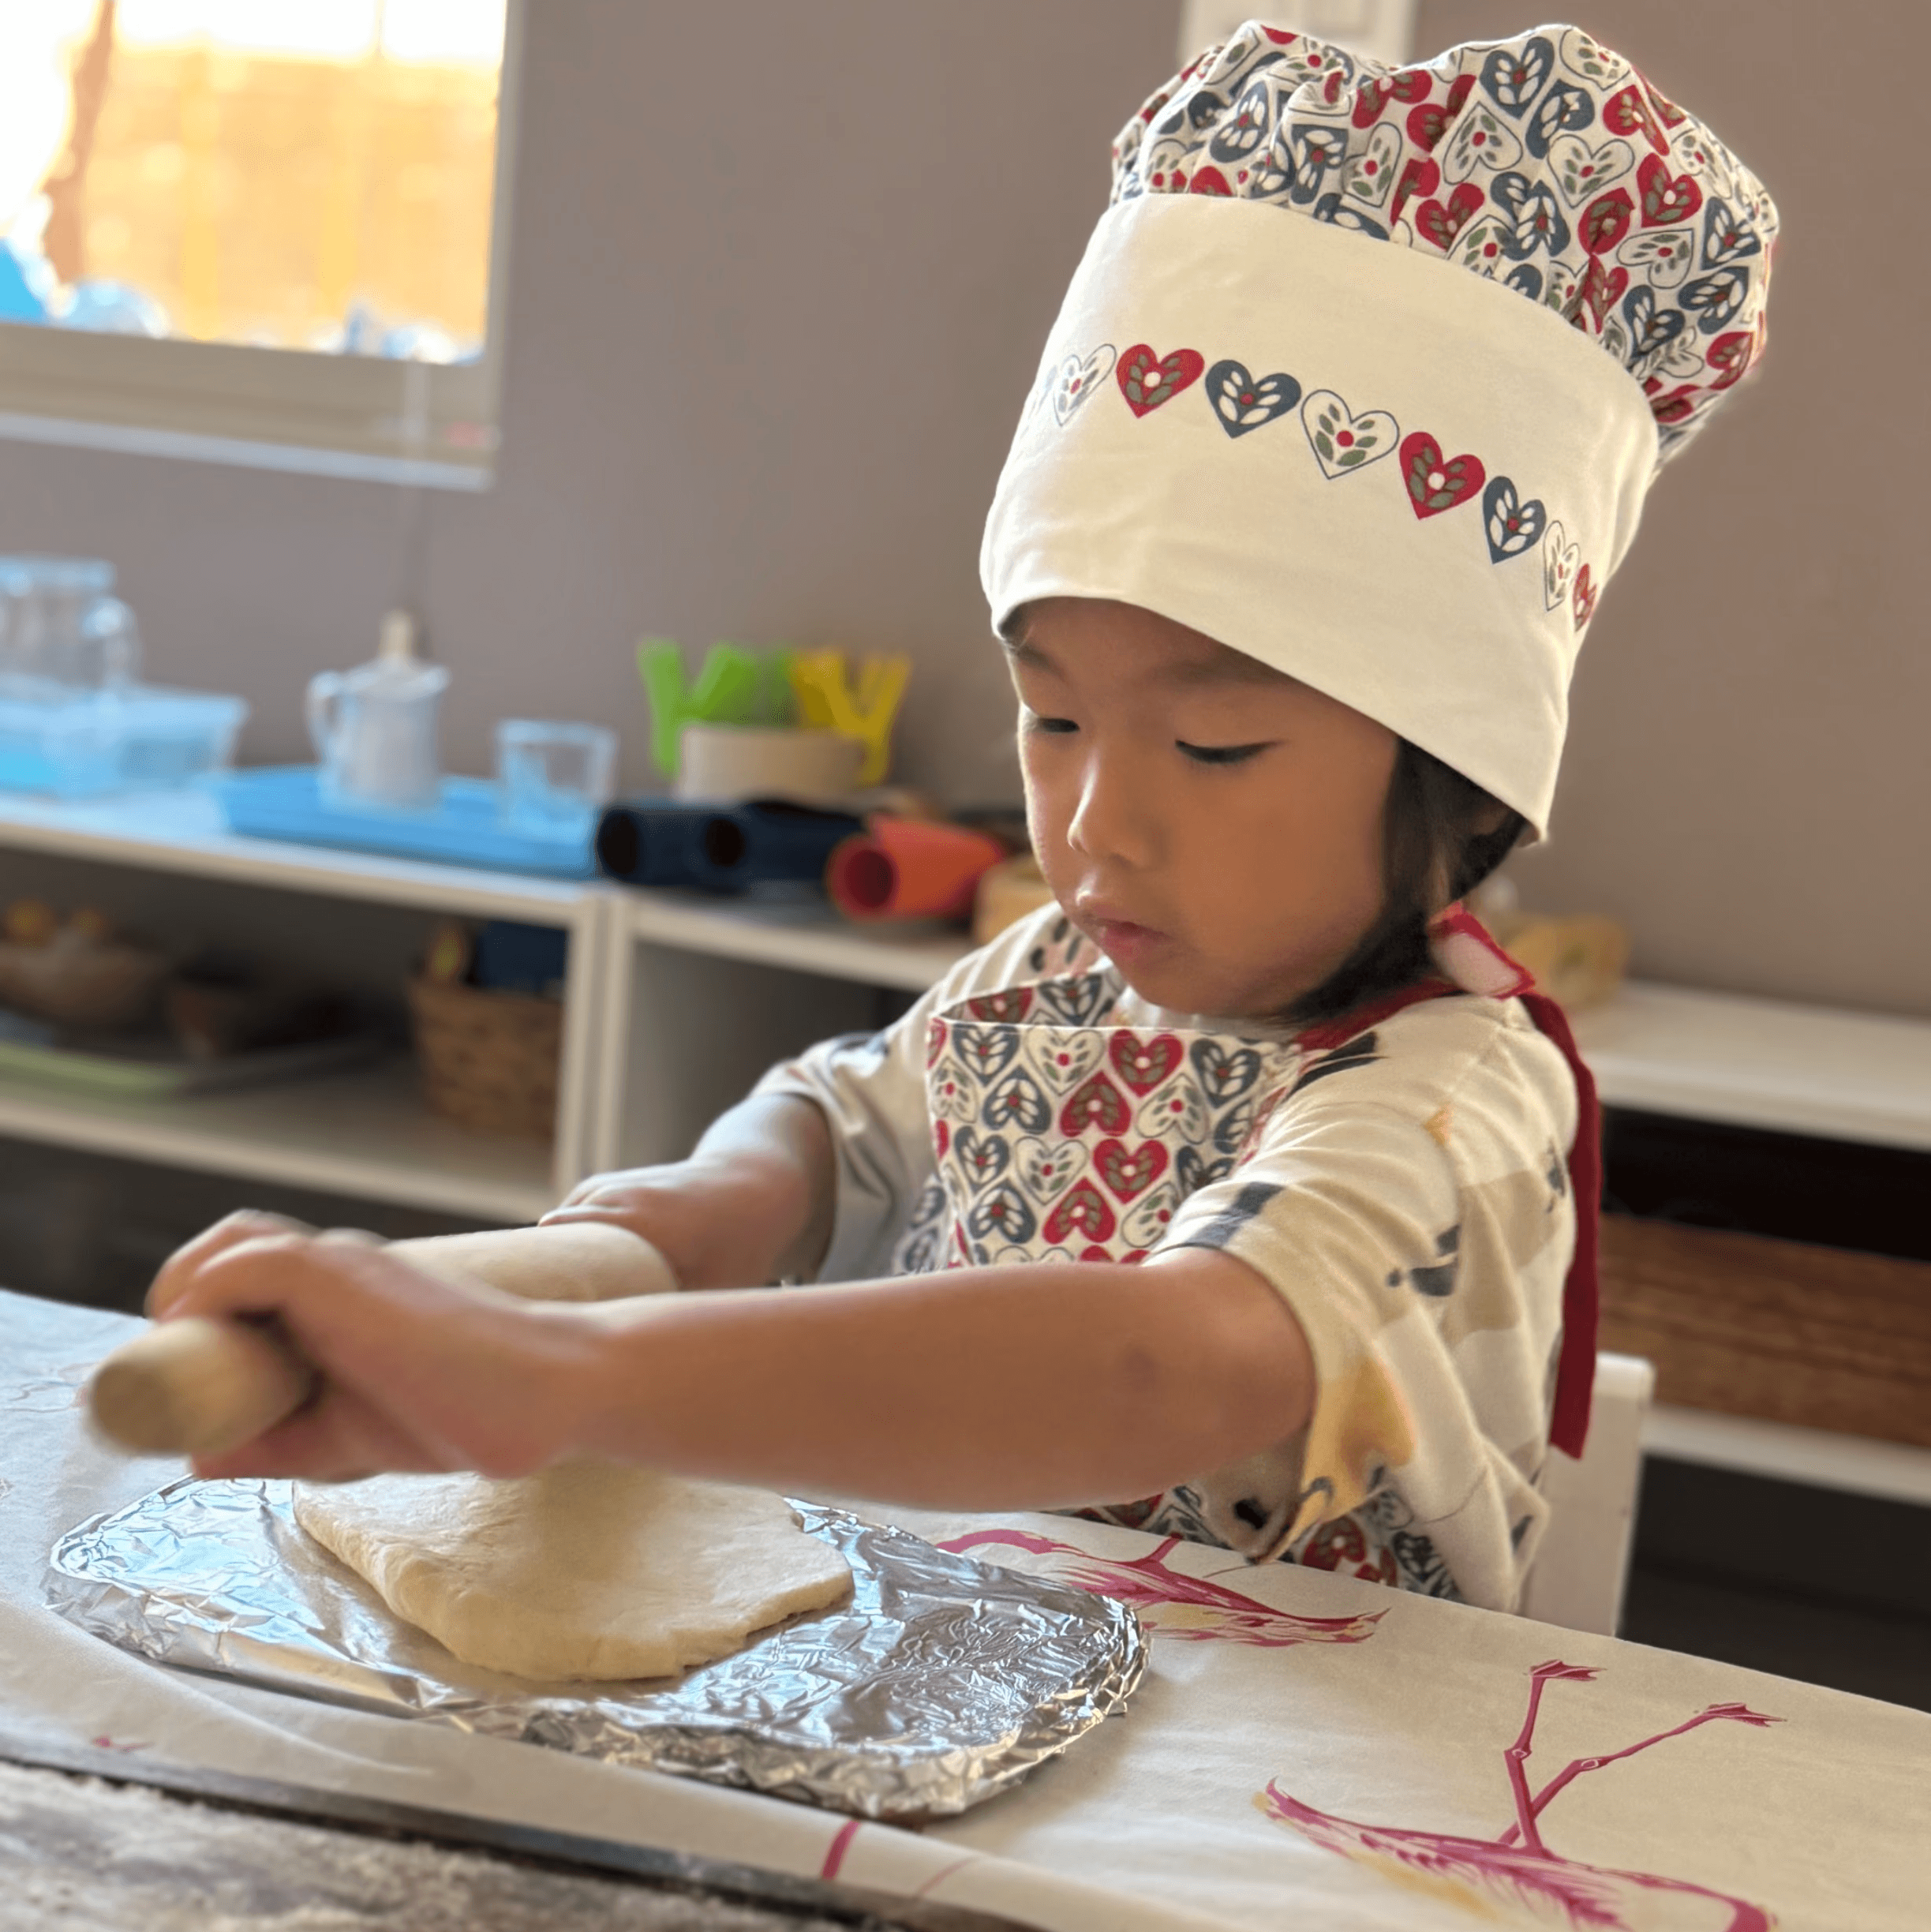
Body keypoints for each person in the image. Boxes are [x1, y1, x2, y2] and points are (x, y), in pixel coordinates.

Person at [151, 21, 1776, 1612]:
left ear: (1456, 769)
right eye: (1054, 716)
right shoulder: (1054, 983)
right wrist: (681, 1218)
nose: (1096, 825)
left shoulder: (1445, 1108)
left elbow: (1170, 1362)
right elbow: (847, 1115)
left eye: (1213, 744)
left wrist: (567, 1370)